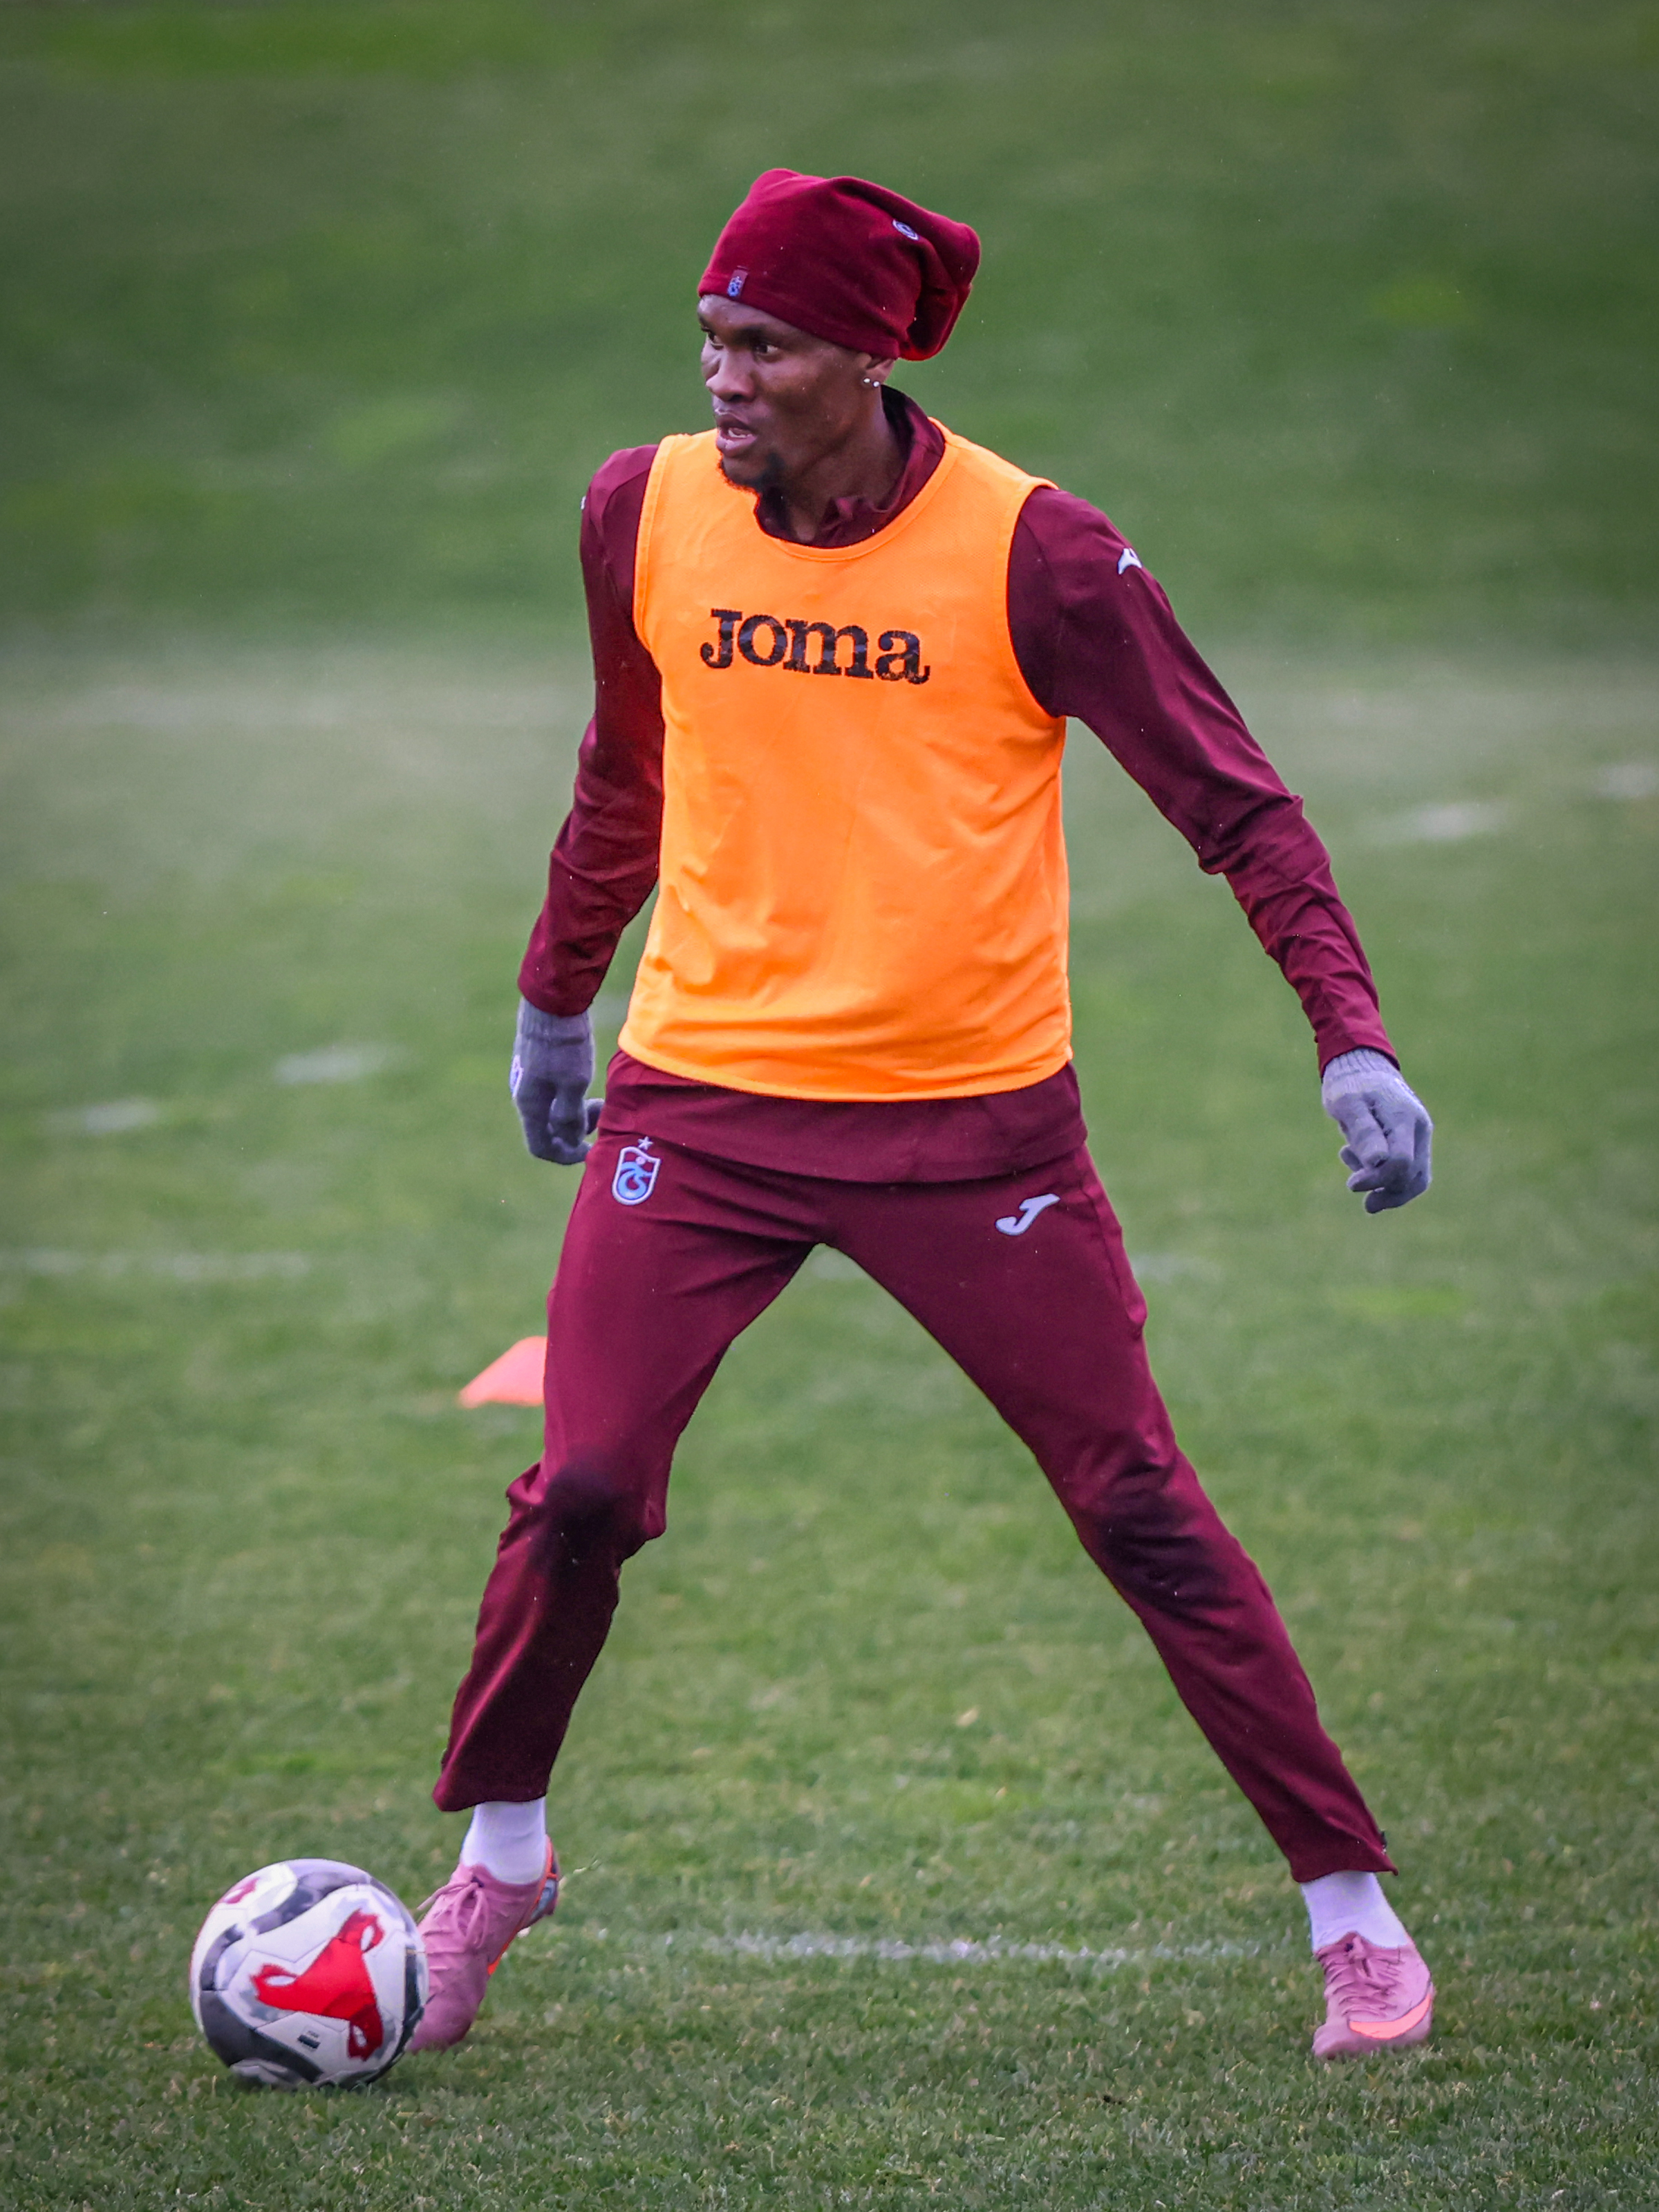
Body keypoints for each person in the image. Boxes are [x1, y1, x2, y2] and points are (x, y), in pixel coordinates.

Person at [410, 169, 1437, 2063]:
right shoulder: (639, 510)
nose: (723, 378)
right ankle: (499, 1861)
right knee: (583, 1494)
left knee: (1139, 1508)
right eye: (711, 339)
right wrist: (559, 996)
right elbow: (625, 773)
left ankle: (1352, 1914)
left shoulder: (1039, 554)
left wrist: (1349, 1038)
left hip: (973, 1132)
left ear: (868, 360)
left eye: (765, 346)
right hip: (704, 1102)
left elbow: (1240, 809)